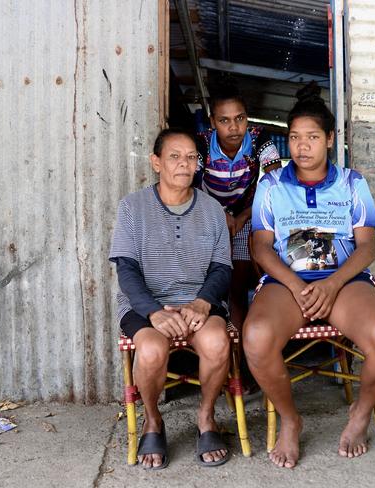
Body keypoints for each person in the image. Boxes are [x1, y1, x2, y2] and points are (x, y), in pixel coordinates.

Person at [244, 83, 375, 468]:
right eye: (295, 138)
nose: (302, 146)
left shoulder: (352, 183)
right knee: (255, 338)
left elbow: (366, 247)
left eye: (312, 137)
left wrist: (332, 284)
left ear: (329, 139)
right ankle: (290, 419)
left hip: (344, 282)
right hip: (288, 284)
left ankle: (361, 411)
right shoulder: (270, 186)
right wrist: (299, 285)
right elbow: (261, 247)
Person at [109, 128, 233, 469]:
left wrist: (202, 302)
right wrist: (154, 313)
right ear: (156, 162)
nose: (184, 164)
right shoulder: (132, 207)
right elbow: (127, 270)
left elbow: (222, 268)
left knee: (217, 343)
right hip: (145, 305)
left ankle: (206, 418)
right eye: (175, 157)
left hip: (198, 303)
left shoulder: (212, 209)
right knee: (150, 349)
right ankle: (153, 420)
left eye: (191, 157)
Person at [195, 82, 282, 331]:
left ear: (247, 117)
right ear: (212, 122)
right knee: (213, 279)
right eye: (224, 120)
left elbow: (275, 182)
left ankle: (241, 351)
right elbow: (190, 187)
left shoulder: (259, 139)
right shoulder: (200, 144)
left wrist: (244, 215)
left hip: (247, 215)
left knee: (238, 282)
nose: (234, 127)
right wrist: (220, 214)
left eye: (240, 118)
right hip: (207, 217)